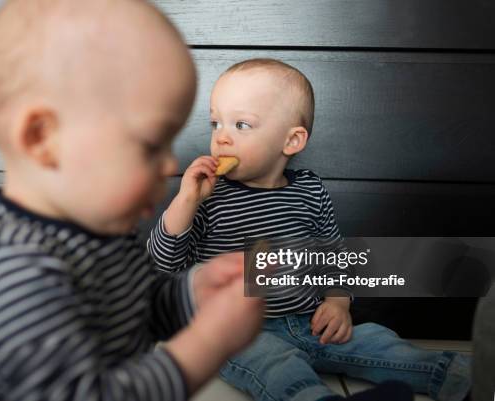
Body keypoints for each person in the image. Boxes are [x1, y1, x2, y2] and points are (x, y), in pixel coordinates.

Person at [0, 1, 264, 399]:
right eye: (151, 144)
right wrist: (209, 344)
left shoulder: (97, 229)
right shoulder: (10, 279)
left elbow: (130, 313)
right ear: (42, 139)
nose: (172, 162)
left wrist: (193, 293)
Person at [148, 58, 471, 401]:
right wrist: (184, 201)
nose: (221, 138)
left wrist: (338, 302)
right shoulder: (207, 196)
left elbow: (334, 256)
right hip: (236, 330)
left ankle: (462, 379)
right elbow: (163, 265)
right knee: (276, 366)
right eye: (216, 123)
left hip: (307, 320)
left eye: (241, 125)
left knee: (379, 342)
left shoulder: (309, 191)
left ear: (292, 141)